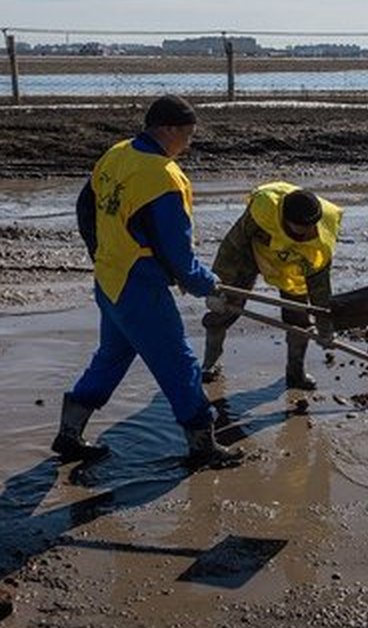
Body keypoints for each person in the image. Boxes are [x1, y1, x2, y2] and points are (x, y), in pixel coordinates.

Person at [51, 94, 242, 470]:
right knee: (179, 362)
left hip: (110, 277)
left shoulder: (117, 154)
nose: (189, 143)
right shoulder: (163, 177)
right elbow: (177, 250)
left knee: (112, 357)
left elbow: (86, 207)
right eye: (187, 135)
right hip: (138, 287)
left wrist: (101, 251)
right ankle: (203, 444)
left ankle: (69, 433)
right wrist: (208, 286)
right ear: (167, 130)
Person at [201, 181, 342, 390]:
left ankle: (296, 374)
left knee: (299, 318)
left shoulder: (322, 238)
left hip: (292, 264)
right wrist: (216, 287)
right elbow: (232, 247)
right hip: (252, 252)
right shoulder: (264, 210)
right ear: (285, 220)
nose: (309, 231)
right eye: (302, 228)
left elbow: (320, 285)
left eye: (311, 227)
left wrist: (325, 327)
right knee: (225, 307)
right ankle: (209, 364)